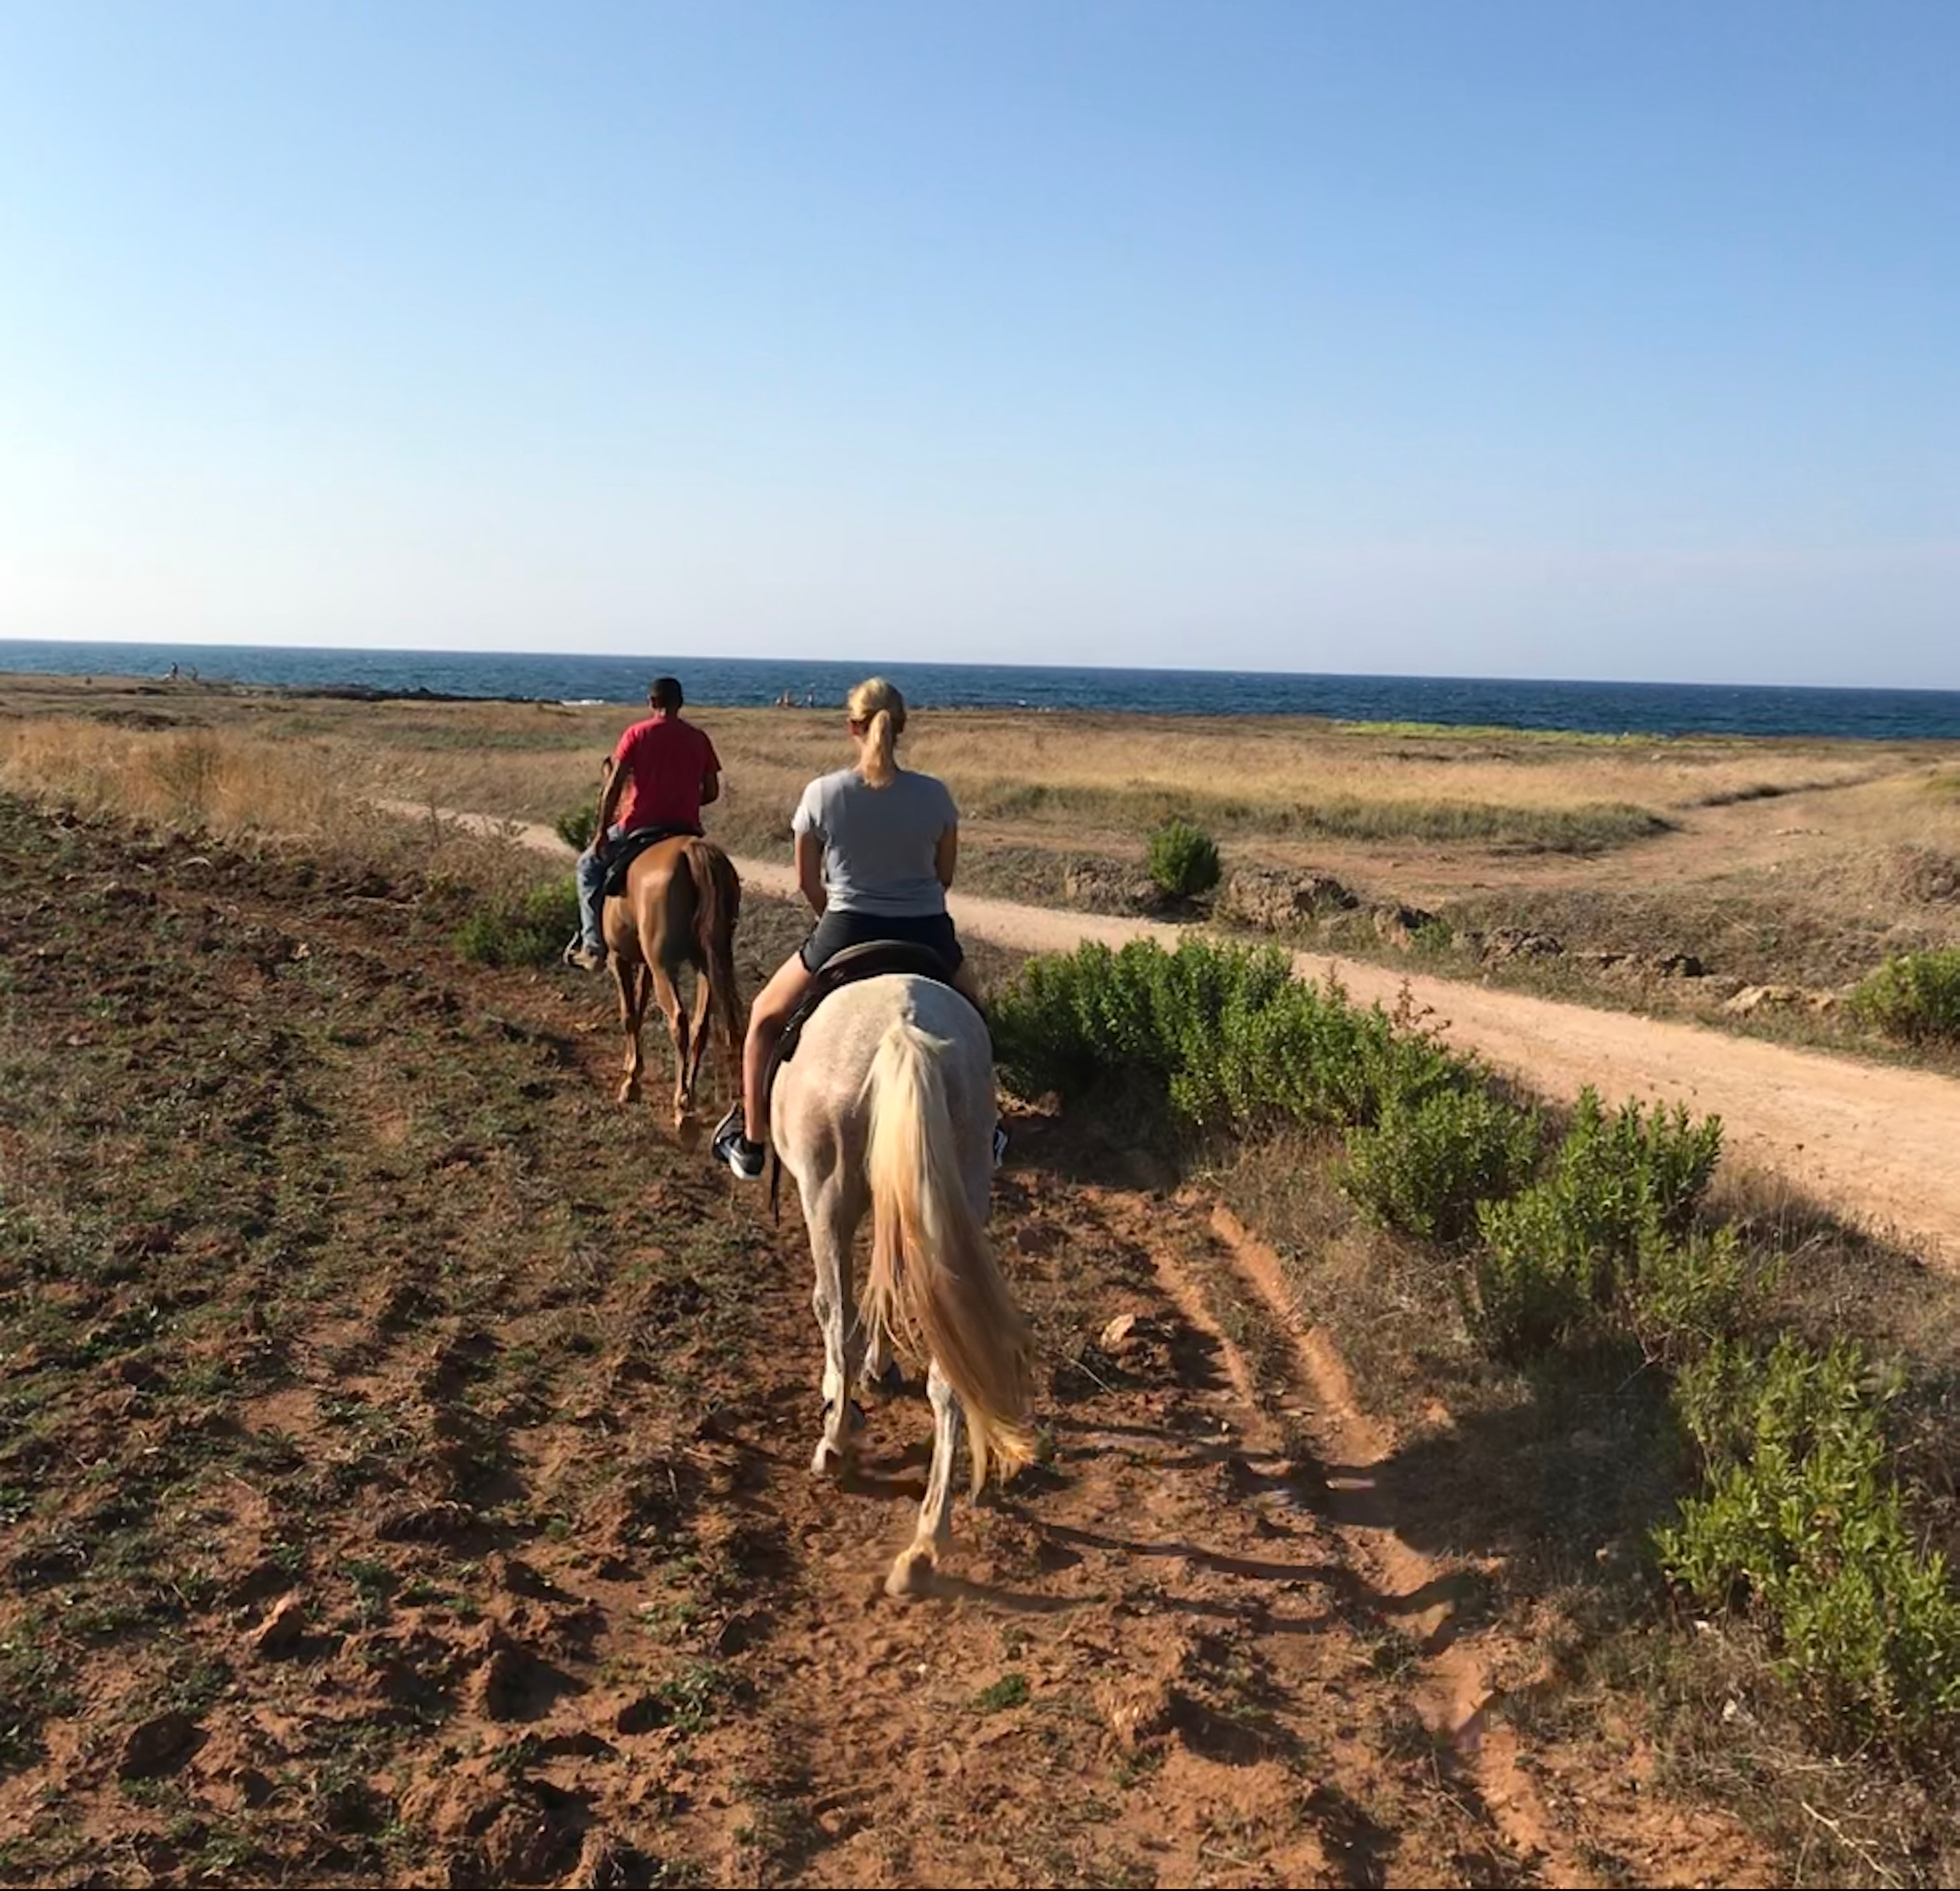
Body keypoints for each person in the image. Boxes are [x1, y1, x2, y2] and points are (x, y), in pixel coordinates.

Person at [712, 676, 985, 1181]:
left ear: (852, 727)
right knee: (980, 1018)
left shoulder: (822, 793)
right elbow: (943, 877)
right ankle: (989, 1131)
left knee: (765, 1019)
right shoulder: (936, 796)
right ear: (901, 727)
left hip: (845, 930)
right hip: (928, 934)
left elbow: (806, 881)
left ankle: (751, 1143)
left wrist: (829, 917)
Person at [566, 676, 721, 971]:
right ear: (681, 702)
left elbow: (614, 786)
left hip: (639, 825)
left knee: (587, 866)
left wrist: (601, 832)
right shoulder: (699, 738)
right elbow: (712, 792)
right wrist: (684, 803)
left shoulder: (636, 734)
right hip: (686, 827)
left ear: (651, 702)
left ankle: (593, 947)